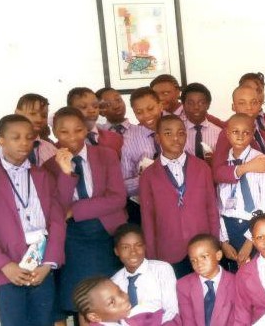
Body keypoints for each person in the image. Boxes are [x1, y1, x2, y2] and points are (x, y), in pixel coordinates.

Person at [0, 114, 65, 326]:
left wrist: (49, 263)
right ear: (0, 141)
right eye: (16, 137)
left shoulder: (43, 176)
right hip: (9, 268)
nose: (24, 143)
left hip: (41, 265)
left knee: (44, 320)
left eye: (29, 137)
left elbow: (57, 222)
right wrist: (4, 264)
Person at [43, 106, 127, 319]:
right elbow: (58, 210)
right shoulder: (49, 167)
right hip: (73, 237)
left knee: (111, 296)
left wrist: (75, 209)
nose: (72, 137)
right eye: (64, 132)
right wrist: (65, 173)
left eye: (78, 130)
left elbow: (117, 198)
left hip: (108, 233)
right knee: (83, 301)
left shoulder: (106, 155)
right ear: (54, 132)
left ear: (86, 129)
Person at [139, 115, 219, 278]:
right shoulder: (148, 175)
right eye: (168, 133)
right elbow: (148, 219)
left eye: (181, 133)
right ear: (157, 137)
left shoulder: (202, 167)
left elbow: (212, 208)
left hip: (202, 247)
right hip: (169, 249)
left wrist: (215, 244)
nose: (175, 138)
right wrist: (152, 257)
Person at [218, 113, 265, 271]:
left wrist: (250, 240)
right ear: (227, 133)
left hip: (254, 226)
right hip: (229, 228)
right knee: (234, 272)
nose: (240, 136)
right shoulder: (224, 165)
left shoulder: (261, 161)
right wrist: (223, 241)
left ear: (252, 134)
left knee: (256, 272)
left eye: (246, 132)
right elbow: (219, 206)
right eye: (235, 132)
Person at [111, 223, 179, 323]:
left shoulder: (162, 270)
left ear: (144, 247)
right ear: (116, 251)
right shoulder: (114, 282)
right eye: (126, 247)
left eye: (138, 245)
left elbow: (172, 311)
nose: (133, 252)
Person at [212, 86, 265, 185]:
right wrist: (247, 167)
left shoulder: (262, 129)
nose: (249, 107)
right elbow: (217, 173)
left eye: (253, 102)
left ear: (260, 105)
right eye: (242, 103)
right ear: (233, 107)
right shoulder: (228, 133)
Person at [120, 87, 164, 222]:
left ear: (160, 105)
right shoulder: (129, 138)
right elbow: (124, 186)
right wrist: (148, 178)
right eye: (139, 112)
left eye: (150, 109)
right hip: (143, 206)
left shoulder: (177, 128)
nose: (146, 115)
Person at [0, 93, 57, 167]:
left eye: (44, 115)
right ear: (17, 113)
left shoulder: (50, 150)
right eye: (32, 113)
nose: (39, 119)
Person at [177, 233, 236, 326]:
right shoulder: (183, 285)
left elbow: (237, 319)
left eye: (204, 257)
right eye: (193, 260)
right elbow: (188, 321)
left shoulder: (235, 283)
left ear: (218, 255)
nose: (199, 264)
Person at [72, 276, 177, 326]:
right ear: (94, 317)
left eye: (120, 291)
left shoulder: (128, 318)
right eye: (112, 302)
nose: (124, 298)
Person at [67, 87, 123, 158]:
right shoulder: (64, 144)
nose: (92, 110)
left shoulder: (115, 138)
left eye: (95, 106)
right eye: (83, 107)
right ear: (70, 111)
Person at [180, 83, 221, 163]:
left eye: (201, 103)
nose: (196, 107)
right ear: (183, 105)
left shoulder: (219, 133)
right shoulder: (177, 132)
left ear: (208, 105)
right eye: (191, 103)